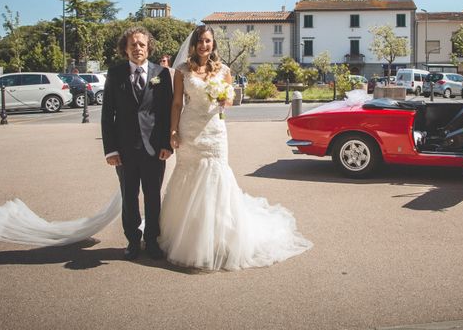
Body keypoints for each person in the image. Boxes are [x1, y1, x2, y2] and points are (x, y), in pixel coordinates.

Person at [158, 24, 312, 270]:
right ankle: (188, 236)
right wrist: (173, 132)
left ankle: (218, 239)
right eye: (199, 41)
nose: (203, 45)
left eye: (207, 41)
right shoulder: (181, 71)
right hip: (189, 132)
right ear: (193, 45)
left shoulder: (224, 71)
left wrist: (224, 99)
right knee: (188, 177)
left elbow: (228, 99)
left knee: (216, 178)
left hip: (215, 133)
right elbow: (176, 104)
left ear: (213, 44)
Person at [101, 26, 173, 260]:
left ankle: (151, 240)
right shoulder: (115, 73)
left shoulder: (161, 74)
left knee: (153, 196)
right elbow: (107, 114)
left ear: (148, 47)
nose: (137, 48)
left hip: (154, 149)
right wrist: (110, 150)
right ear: (125, 48)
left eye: (142, 44)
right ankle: (132, 240)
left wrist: (166, 144)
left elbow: (165, 113)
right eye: (133, 44)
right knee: (129, 196)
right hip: (124, 150)